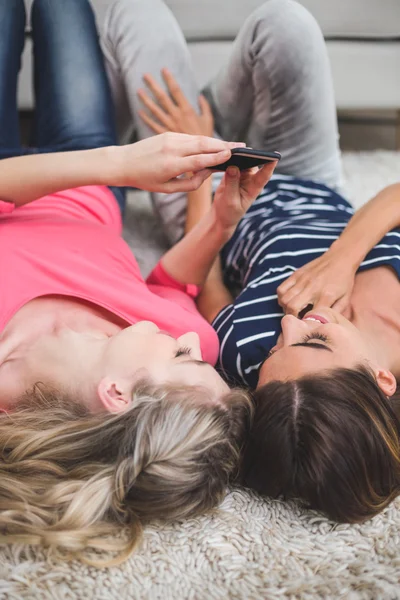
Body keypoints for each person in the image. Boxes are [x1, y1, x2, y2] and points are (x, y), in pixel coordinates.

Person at [0, 0, 281, 565]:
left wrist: (120, 163)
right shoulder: (193, 342)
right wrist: (221, 222)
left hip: (86, 168)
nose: (192, 343)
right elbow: (172, 286)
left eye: (182, 360)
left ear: (118, 394)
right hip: (91, 183)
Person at [130, 0, 400, 523]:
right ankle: (219, 117)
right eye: (317, 340)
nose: (291, 322)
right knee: (286, 22)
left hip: (211, 200)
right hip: (312, 181)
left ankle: (207, 122)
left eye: (281, 343)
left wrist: (198, 156)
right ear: (382, 380)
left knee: (135, 13)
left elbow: (204, 277)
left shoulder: (248, 359)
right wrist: (344, 258)